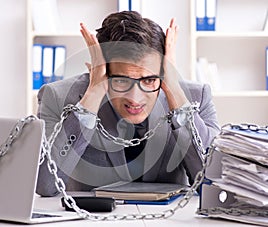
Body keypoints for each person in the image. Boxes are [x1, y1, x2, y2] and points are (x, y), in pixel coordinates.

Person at [36, 11, 220, 196]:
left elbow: (213, 185)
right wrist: (93, 96)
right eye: (121, 80)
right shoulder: (58, 97)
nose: (135, 98)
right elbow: (45, 185)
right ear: (104, 70)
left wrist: (175, 94)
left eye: (148, 80)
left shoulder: (196, 97)